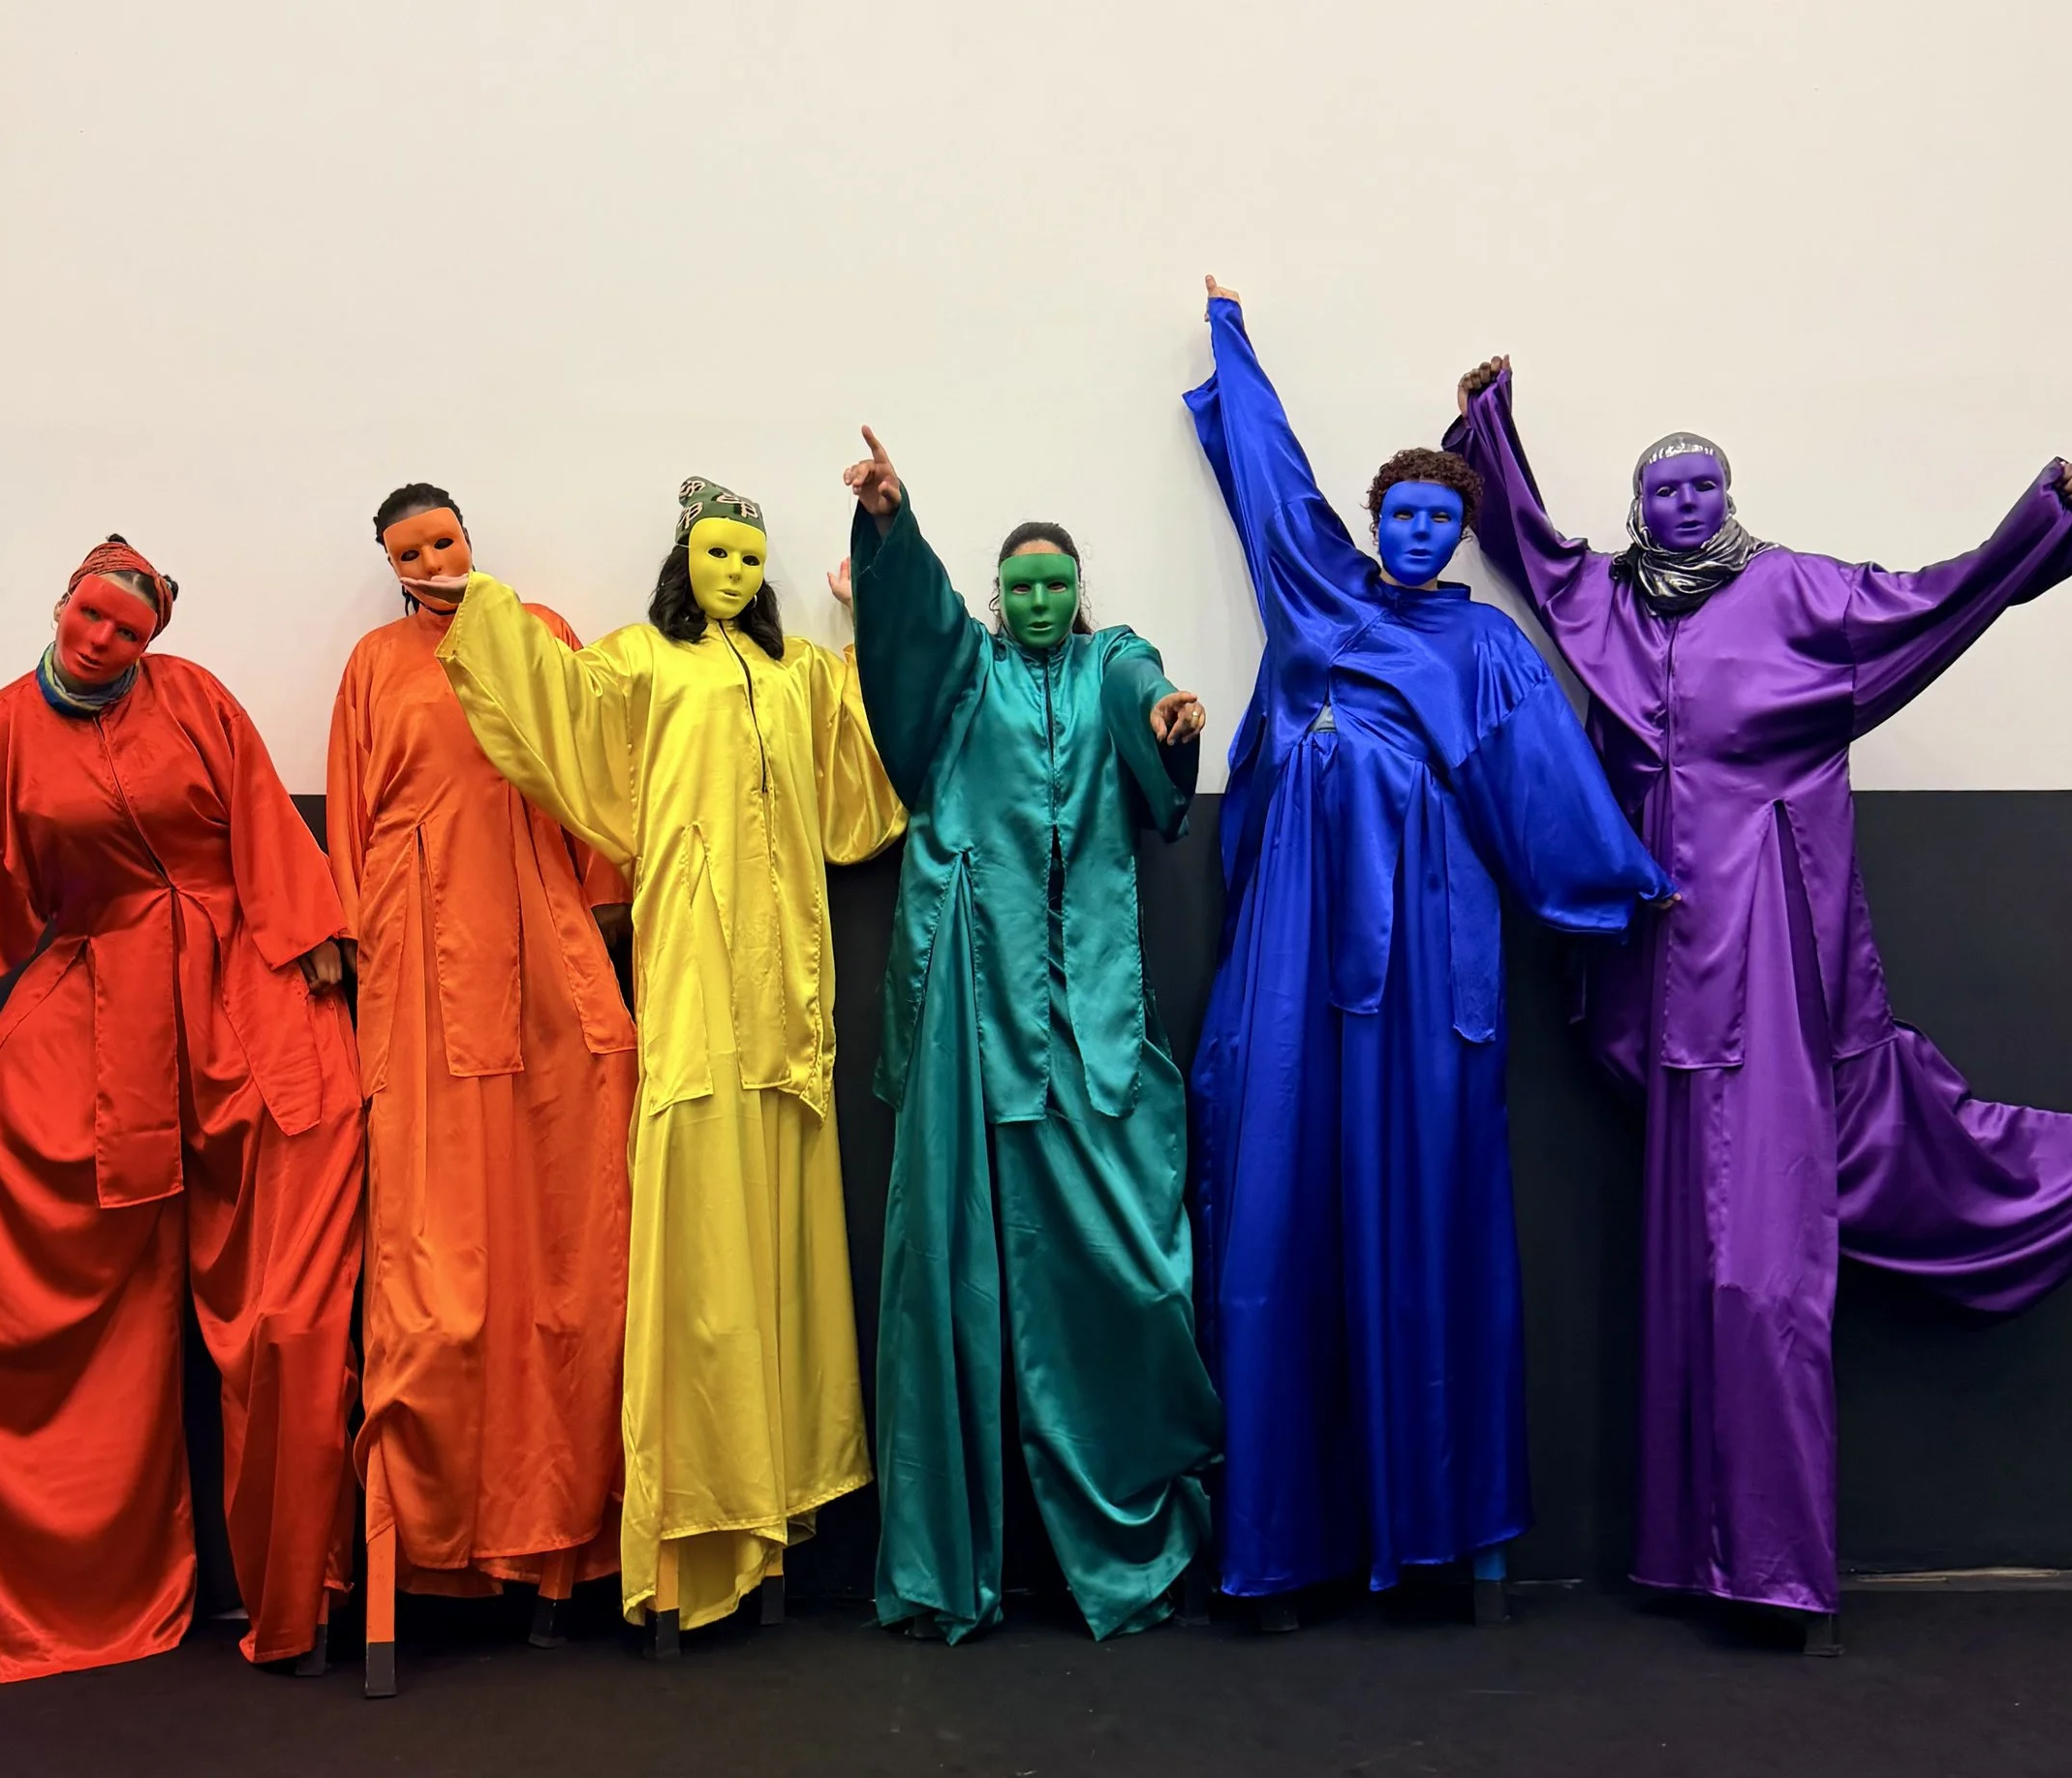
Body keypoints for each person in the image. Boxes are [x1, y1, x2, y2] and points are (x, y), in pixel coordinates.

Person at [1446, 356, 2072, 1641]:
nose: (1686, 502)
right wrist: (1485, 425)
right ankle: (1689, 1555)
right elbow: (1536, 554)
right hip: (1659, 966)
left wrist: (2040, 525)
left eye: (1705, 483)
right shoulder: (1615, 605)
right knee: (1686, 1269)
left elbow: (1929, 604)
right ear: (1640, 507)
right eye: (1665, 489)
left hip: (1771, 953)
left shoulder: (1798, 589)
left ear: (1731, 493)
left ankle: (1773, 1566)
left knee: (1762, 1273)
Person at [1187, 282, 1673, 1623]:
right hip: (1296, 934)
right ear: (1374, 519)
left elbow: (1545, 784)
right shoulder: (1314, 592)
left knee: (1429, 1204)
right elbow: (1271, 482)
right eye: (1399, 513)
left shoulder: (1488, 647)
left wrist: (1625, 879)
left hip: (1426, 942)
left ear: (1459, 534)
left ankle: (1441, 1528)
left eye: (1439, 519)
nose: (1416, 533)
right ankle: (1281, 1541)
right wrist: (1230, 337)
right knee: (1276, 1195)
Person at [0, 536, 362, 1682]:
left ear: (151, 642)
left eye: (129, 631)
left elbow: (258, 815)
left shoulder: (194, 699)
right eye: (91, 615)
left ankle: (298, 1597)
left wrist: (310, 931)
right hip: (104, 987)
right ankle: (28, 1597)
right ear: (61, 602)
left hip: (240, 987)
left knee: (289, 1305)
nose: (103, 640)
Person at [417, 479, 904, 1645]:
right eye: (715, 553)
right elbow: (559, 712)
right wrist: (483, 606)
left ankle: (777, 1489)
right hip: (692, 965)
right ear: (683, 560)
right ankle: (691, 1512)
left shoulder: (798, 674)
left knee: (780, 1224)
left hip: (788, 986)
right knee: (693, 1219)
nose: (733, 572)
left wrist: (866, 621)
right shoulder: (638, 662)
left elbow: (856, 799)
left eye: (749, 557)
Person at [834, 427, 1224, 1641]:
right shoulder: (969, 673)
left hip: (1091, 1004)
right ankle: (945, 1561)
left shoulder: (1108, 658)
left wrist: (1164, 713)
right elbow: (913, 633)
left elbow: (1139, 683)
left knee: (1132, 1263)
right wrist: (891, 525)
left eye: (1058, 582)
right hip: (971, 984)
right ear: (999, 596)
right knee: (950, 1258)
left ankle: (1131, 1530)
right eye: (1022, 586)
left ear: (1078, 589)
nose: (1042, 601)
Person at [327, 484, 639, 1693]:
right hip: (417, 937)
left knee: (571, 1229)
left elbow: (587, 766)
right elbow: (352, 806)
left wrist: (602, 897)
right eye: (409, 551)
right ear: (390, 563)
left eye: (444, 540)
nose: (431, 560)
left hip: (540, 924)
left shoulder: (537, 629)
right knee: (430, 1259)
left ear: (471, 540)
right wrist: (352, 935)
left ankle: (566, 1534)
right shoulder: (372, 664)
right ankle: (426, 1541)